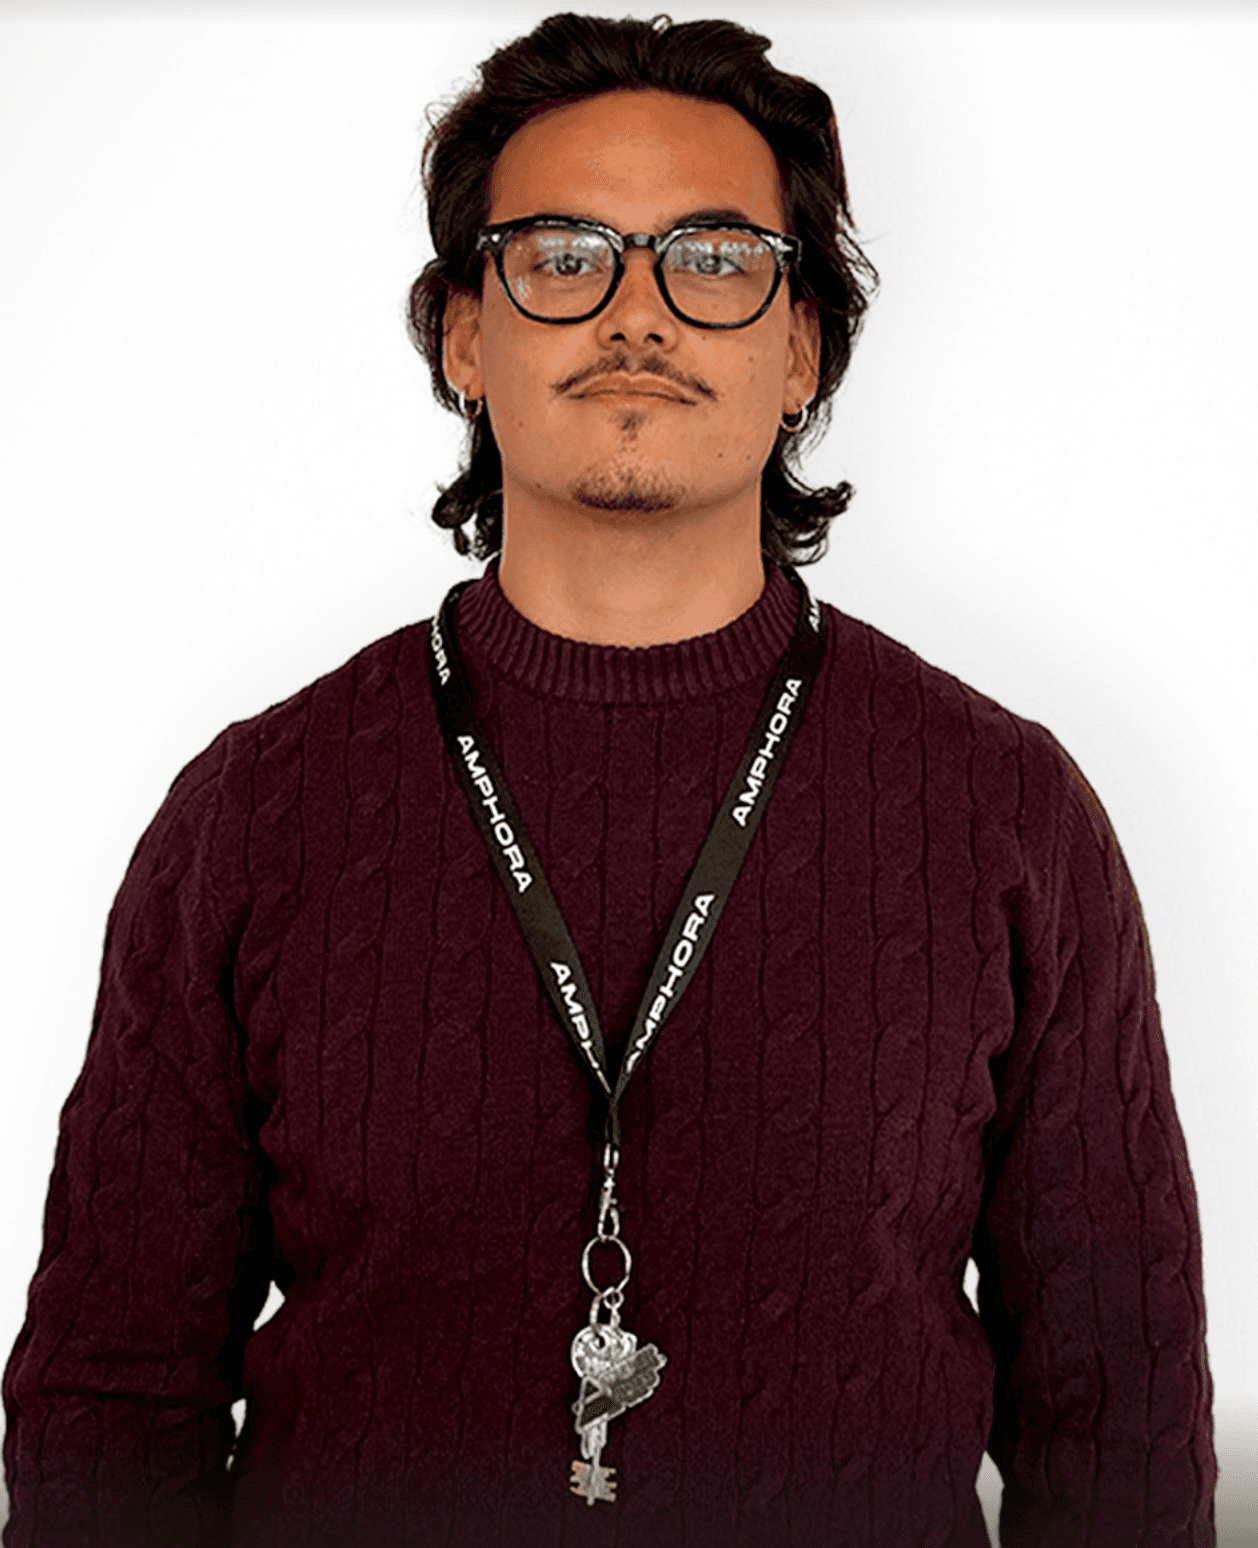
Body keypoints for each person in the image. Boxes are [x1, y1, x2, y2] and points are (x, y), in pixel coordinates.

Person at [2, 12, 1215, 1546]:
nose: (635, 313)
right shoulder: (253, 812)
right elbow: (107, 1402)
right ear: (463, 335)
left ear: (800, 348)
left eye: (712, 258)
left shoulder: (1006, 812)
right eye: (562, 255)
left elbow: (1118, 1420)